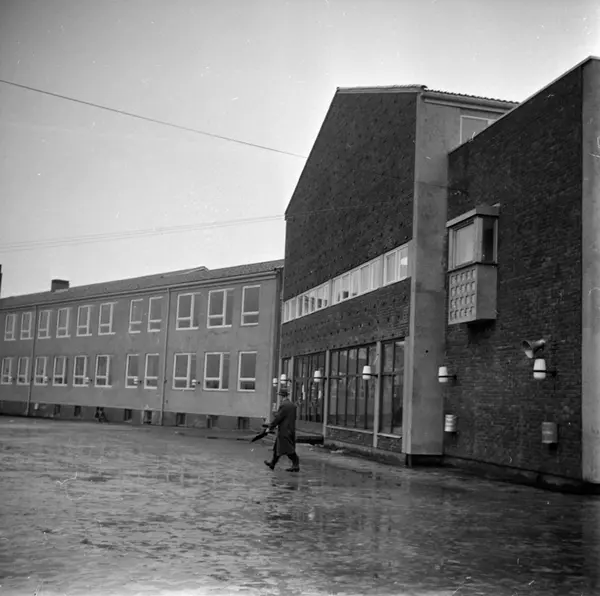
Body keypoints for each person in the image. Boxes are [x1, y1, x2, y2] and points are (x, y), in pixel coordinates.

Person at [264, 388, 300, 472]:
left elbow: (279, 418)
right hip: (290, 429)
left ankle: (296, 465)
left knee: (288, 449)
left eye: (279, 395)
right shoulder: (292, 405)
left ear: (281, 396)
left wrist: (270, 427)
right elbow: (292, 417)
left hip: (284, 430)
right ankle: (272, 463)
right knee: (277, 447)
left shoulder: (284, 405)